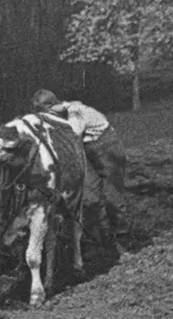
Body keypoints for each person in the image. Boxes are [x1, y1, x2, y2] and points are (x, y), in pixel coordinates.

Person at [30, 89, 129, 237]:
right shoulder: (58, 117)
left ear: (52, 105)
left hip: (107, 148)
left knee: (111, 195)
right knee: (88, 196)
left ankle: (123, 233)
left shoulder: (75, 111)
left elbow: (72, 135)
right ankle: (101, 236)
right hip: (87, 151)